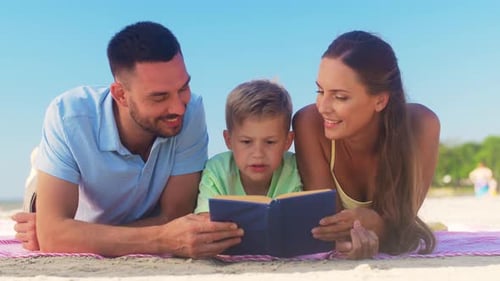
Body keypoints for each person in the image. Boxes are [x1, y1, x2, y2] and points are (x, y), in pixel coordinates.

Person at [11, 21, 243, 258]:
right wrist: (161, 239)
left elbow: (175, 217)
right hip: (70, 195)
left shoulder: (190, 110)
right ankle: (43, 161)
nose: (178, 108)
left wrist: (76, 235)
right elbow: (53, 237)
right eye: (159, 97)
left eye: (183, 88)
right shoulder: (67, 115)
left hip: (109, 217)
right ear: (120, 94)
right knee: (39, 215)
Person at [292, 31, 439, 258]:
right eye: (320, 91)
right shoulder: (309, 124)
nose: (323, 107)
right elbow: (327, 227)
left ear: (380, 100)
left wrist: (378, 227)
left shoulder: (422, 126)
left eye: (340, 97)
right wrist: (361, 232)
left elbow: (403, 224)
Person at [194, 79, 302, 214]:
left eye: (270, 142)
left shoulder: (295, 170)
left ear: (288, 141)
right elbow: (205, 221)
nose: (258, 154)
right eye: (246, 142)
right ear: (229, 140)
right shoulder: (217, 171)